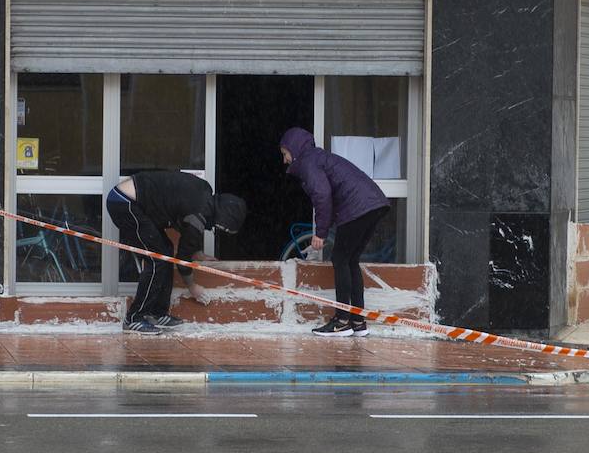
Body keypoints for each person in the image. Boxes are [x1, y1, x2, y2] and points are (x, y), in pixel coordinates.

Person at [279, 127, 390, 336]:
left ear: (293, 149)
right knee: (350, 260)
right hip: (373, 204)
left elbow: (322, 195)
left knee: (340, 259)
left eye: (285, 154)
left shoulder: (308, 162)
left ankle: (342, 321)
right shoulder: (317, 158)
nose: (285, 160)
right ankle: (357, 321)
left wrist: (320, 232)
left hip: (358, 207)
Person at [106, 171, 247, 334]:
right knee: (156, 259)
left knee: (164, 253)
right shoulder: (199, 213)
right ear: (222, 218)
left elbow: (182, 216)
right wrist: (192, 286)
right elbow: (183, 258)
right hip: (125, 203)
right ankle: (134, 318)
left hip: (136, 202)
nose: (216, 229)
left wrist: (197, 251)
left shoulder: (205, 194)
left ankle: (157, 313)